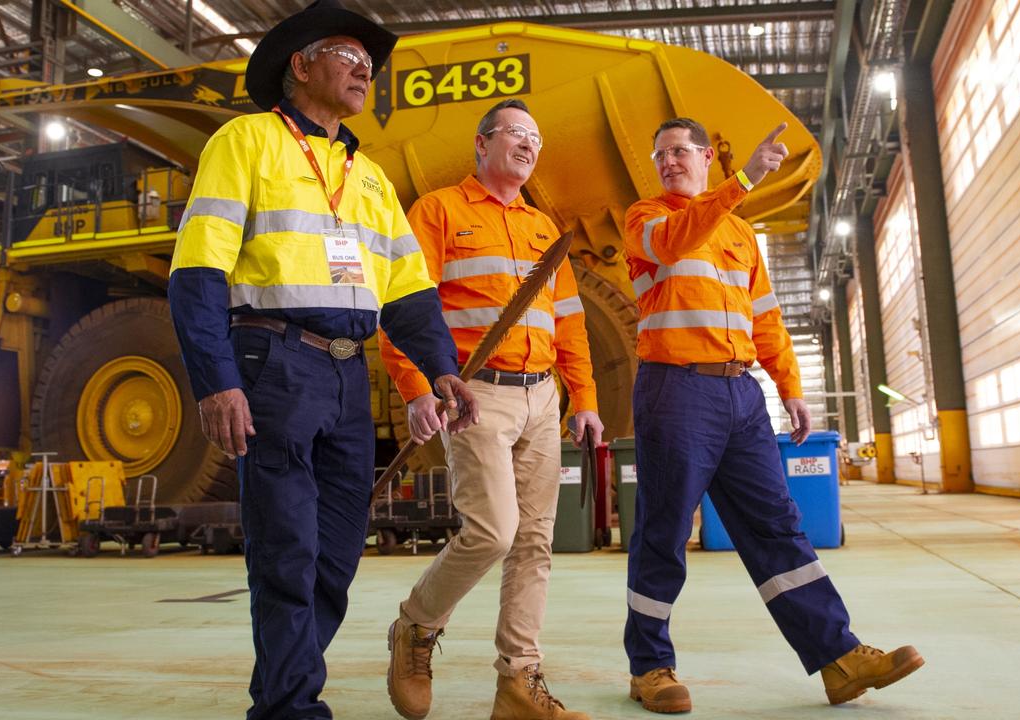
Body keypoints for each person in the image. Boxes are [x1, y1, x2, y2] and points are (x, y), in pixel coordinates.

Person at [167, 2, 478, 718]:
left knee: (335, 555)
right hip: (272, 360)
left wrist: (440, 367)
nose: (365, 67)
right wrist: (218, 381)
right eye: (347, 52)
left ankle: (283, 691)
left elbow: (407, 287)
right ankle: (289, 707)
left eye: (370, 61)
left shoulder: (364, 175)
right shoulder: (245, 141)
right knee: (287, 548)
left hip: (346, 372)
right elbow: (197, 274)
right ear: (299, 65)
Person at [621, 117, 924, 712]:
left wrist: (790, 385)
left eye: (681, 151)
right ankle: (650, 666)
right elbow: (675, 243)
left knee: (778, 526)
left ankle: (838, 657)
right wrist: (743, 180)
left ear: (705, 154)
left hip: (741, 396)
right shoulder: (646, 219)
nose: (669, 162)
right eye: (661, 155)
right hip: (674, 391)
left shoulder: (738, 234)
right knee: (665, 530)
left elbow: (765, 318)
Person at [378, 99, 603, 720]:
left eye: (536, 137)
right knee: (493, 531)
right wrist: (416, 387)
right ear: (482, 144)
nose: (529, 145)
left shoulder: (542, 228)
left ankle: (518, 680)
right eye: (516, 134)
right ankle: (416, 626)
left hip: (542, 394)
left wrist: (583, 398)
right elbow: (402, 310)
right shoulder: (439, 211)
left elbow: (570, 324)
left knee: (535, 543)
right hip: (476, 397)